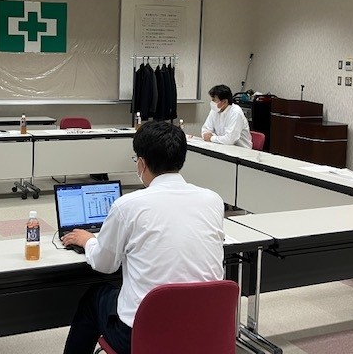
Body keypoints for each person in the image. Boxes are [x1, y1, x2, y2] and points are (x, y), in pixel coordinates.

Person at [61, 121, 225, 354]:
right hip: (204, 332)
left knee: (95, 296)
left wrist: (87, 240)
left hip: (144, 336)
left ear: (141, 163)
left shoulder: (128, 206)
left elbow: (105, 265)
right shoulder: (213, 200)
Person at [201, 84, 252, 149]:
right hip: (221, 146)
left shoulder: (235, 112)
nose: (212, 102)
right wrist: (212, 137)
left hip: (241, 150)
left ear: (224, 102)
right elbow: (205, 130)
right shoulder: (214, 110)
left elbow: (230, 140)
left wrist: (211, 138)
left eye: (214, 100)